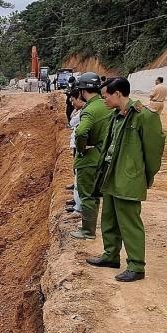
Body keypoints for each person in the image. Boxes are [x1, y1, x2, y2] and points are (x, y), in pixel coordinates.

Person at [86, 77, 166, 281]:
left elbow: (153, 152)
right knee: (109, 218)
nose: (103, 100)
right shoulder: (116, 115)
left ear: (118, 94)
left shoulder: (144, 116)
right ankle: (111, 255)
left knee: (130, 222)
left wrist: (143, 176)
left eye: (106, 96)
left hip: (129, 178)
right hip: (111, 175)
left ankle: (137, 266)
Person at [70, 72, 113, 240]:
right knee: (95, 194)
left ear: (82, 91)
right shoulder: (105, 105)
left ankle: (88, 231)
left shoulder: (89, 110)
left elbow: (81, 132)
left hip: (89, 159)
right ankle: (91, 228)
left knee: (87, 195)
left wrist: (81, 149)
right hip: (103, 156)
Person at [66, 88, 85, 213]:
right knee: (76, 173)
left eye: (73, 100)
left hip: (83, 149)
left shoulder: (85, 111)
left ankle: (78, 207)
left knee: (80, 176)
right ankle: (76, 201)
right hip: (79, 147)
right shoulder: (81, 110)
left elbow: (73, 122)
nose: (72, 103)